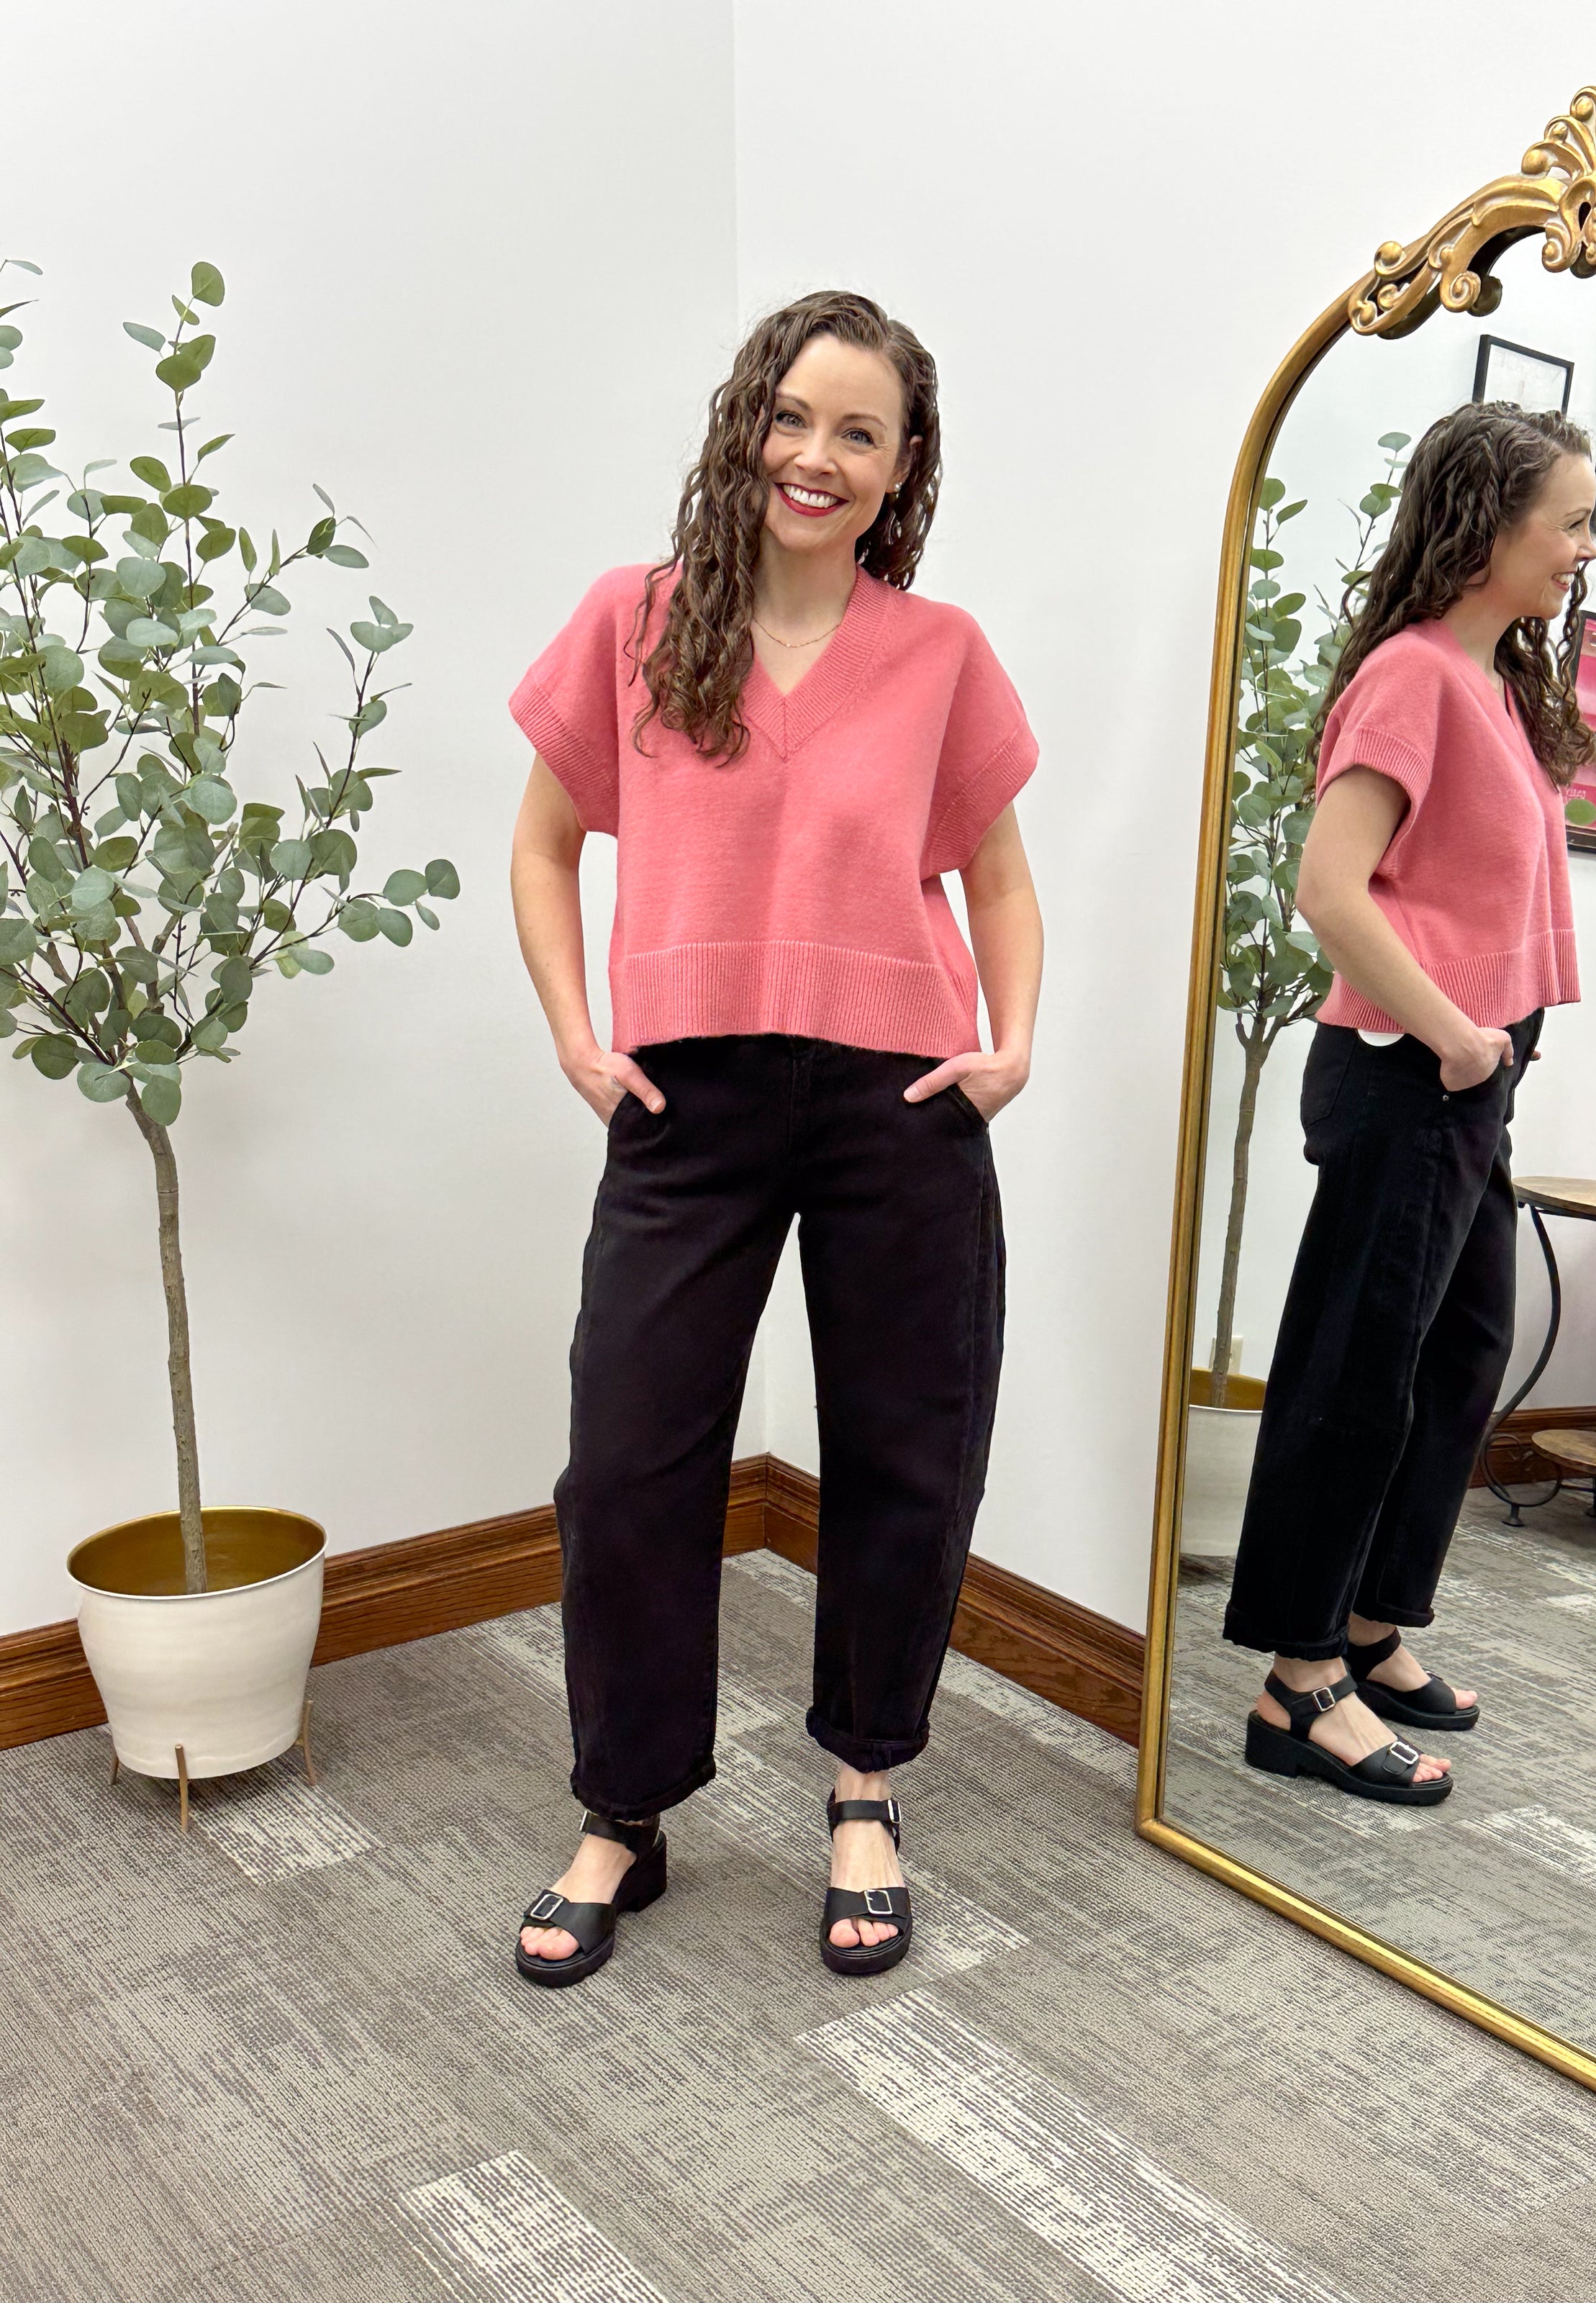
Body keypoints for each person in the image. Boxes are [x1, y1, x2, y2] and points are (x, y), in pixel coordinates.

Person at [507, 291, 1043, 1982]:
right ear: (750, 422)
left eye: (860, 433)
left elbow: (1000, 879)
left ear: (900, 471)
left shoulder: (941, 652)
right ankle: (625, 1807)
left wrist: (1011, 1045)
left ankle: (865, 1782)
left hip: (898, 1096)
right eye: (794, 416)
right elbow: (542, 848)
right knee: (629, 1460)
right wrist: (580, 1039)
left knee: (907, 1445)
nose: (817, 456)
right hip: (693, 1097)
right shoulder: (634, 621)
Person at [1222, 402, 1596, 1806]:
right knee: (1358, 1370)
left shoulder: (1491, 681)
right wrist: (1451, 1036)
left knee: (1457, 1356)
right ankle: (1297, 1681)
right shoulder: (1411, 676)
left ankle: (1373, 1625)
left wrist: (1482, 1051)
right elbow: (1332, 889)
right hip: (1409, 1070)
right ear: (1488, 523)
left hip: (1466, 1075)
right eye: (1566, 519)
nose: (1581, 547)